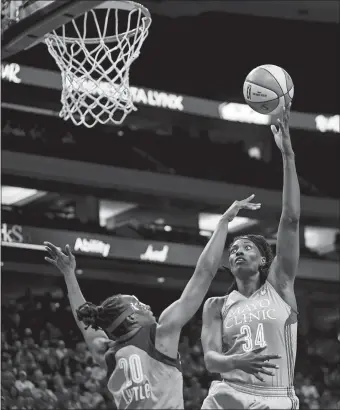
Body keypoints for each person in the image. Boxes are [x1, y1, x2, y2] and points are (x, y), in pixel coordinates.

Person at [43, 194, 260, 410]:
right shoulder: (159, 336)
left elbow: (84, 321)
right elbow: (204, 274)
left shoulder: (107, 353)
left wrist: (69, 275)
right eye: (138, 304)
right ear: (130, 317)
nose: (146, 306)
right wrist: (222, 224)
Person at [201, 103, 301, 410]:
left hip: (276, 397)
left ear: (262, 261)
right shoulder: (216, 306)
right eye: (233, 249)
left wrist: (287, 156)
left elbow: (291, 219)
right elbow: (210, 359)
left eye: (247, 247)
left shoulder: (280, 286)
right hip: (227, 392)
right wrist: (234, 360)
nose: (237, 251)